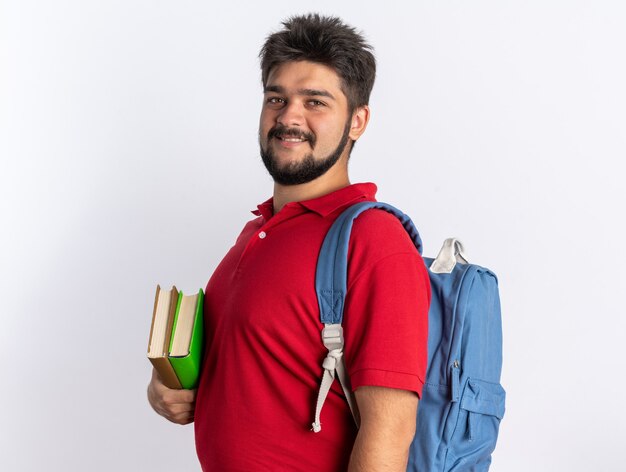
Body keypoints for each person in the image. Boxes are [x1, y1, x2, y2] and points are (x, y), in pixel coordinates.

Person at [148, 13, 430, 471]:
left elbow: (390, 435)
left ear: (357, 121)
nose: (289, 116)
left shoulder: (374, 240)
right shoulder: (256, 231)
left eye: (315, 102)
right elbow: (245, 370)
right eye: (276, 98)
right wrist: (166, 389)